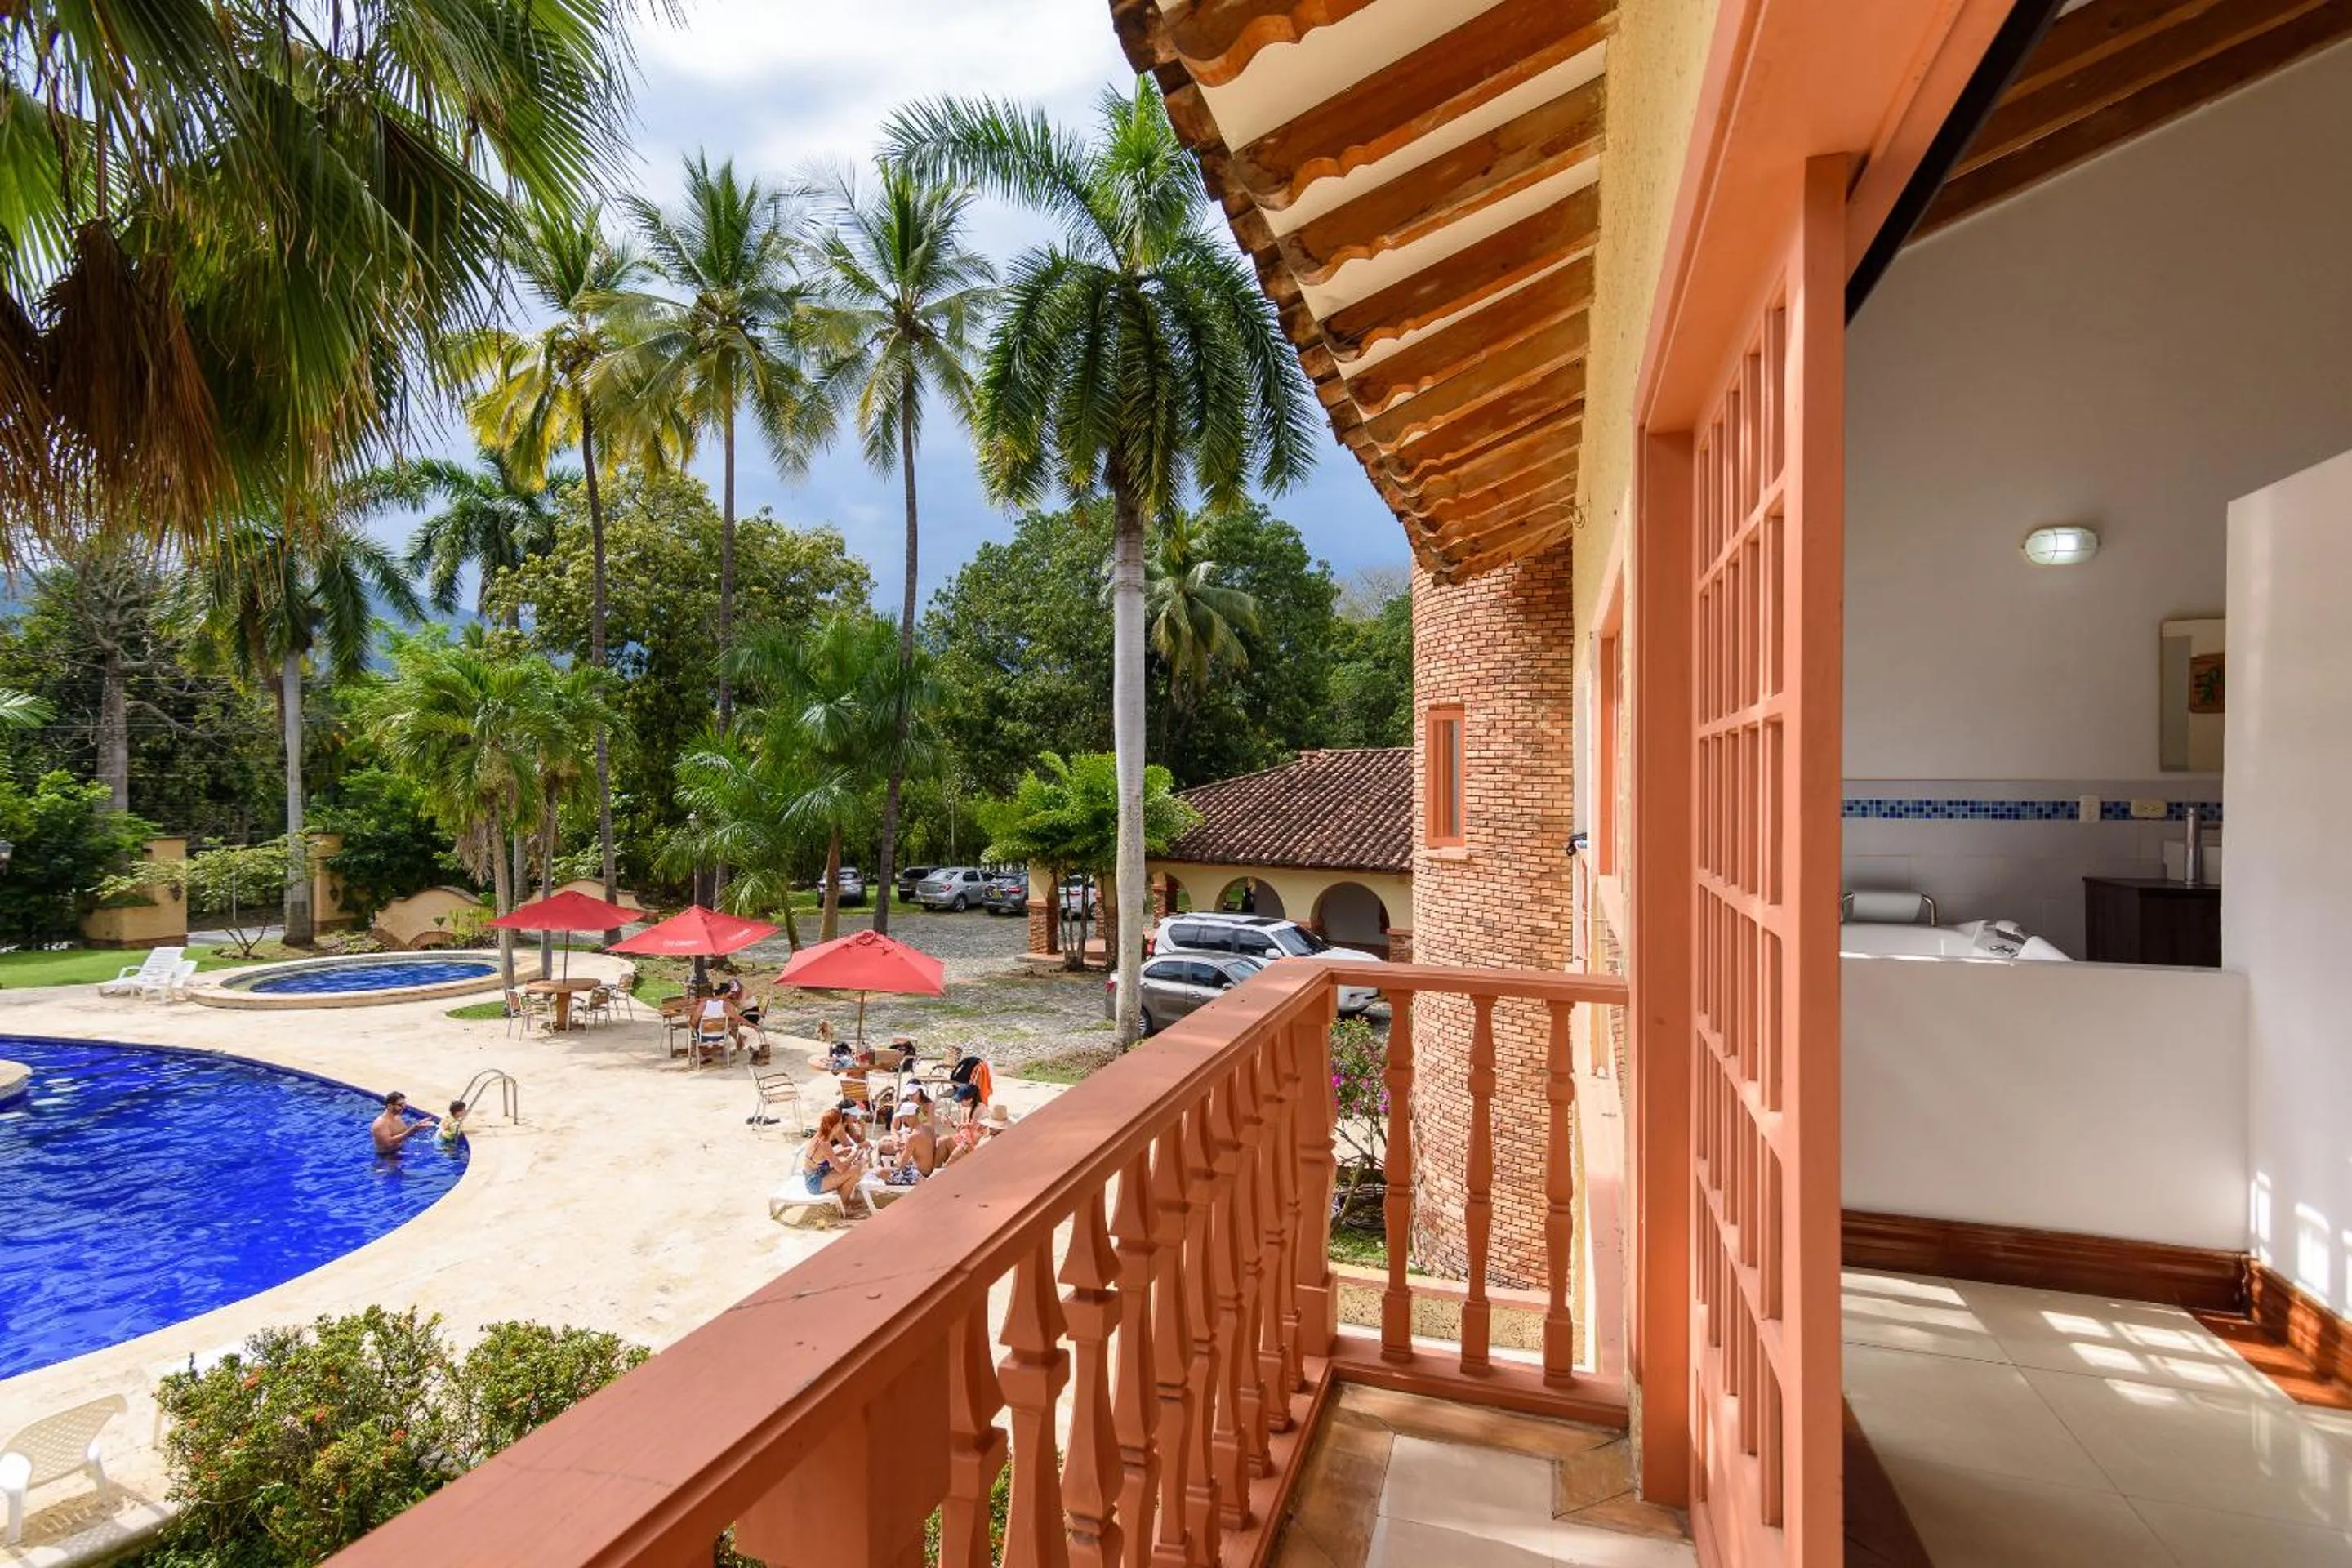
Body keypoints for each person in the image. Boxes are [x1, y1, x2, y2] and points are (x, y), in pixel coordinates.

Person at [797, 1107, 868, 1210]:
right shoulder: (824, 1143)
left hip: (815, 1176)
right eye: (840, 1123)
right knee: (855, 1169)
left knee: (851, 1165)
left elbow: (821, 1157)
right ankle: (843, 1206)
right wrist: (855, 1151)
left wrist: (840, 1153)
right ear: (835, 1126)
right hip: (815, 1183)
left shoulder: (819, 1136)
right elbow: (841, 1169)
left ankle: (846, 1200)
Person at [371, 1092, 436, 1155]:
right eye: (400, 1105)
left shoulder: (397, 1117)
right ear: (389, 1106)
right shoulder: (381, 1124)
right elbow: (388, 1143)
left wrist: (419, 1125)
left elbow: (404, 1133)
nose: (403, 1107)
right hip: (387, 1157)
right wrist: (414, 1129)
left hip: (400, 1150)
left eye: (404, 1104)